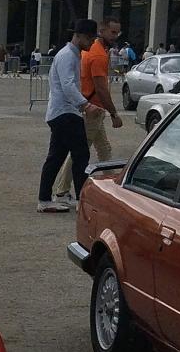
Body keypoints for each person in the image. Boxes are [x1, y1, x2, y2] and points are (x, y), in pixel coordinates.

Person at [53, 12, 123, 198]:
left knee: (104, 148)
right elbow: (100, 88)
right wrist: (114, 113)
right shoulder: (98, 55)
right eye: (112, 32)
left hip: (93, 109)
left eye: (117, 33)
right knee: (79, 152)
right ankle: (62, 189)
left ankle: (112, 187)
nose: (115, 36)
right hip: (92, 109)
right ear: (101, 31)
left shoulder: (94, 51)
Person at [37, 19, 97, 211]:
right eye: (89, 38)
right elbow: (68, 85)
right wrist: (85, 105)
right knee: (81, 155)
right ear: (78, 36)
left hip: (62, 112)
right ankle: (81, 200)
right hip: (66, 113)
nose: (91, 43)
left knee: (56, 157)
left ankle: (45, 199)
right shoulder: (67, 56)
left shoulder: (71, 55)